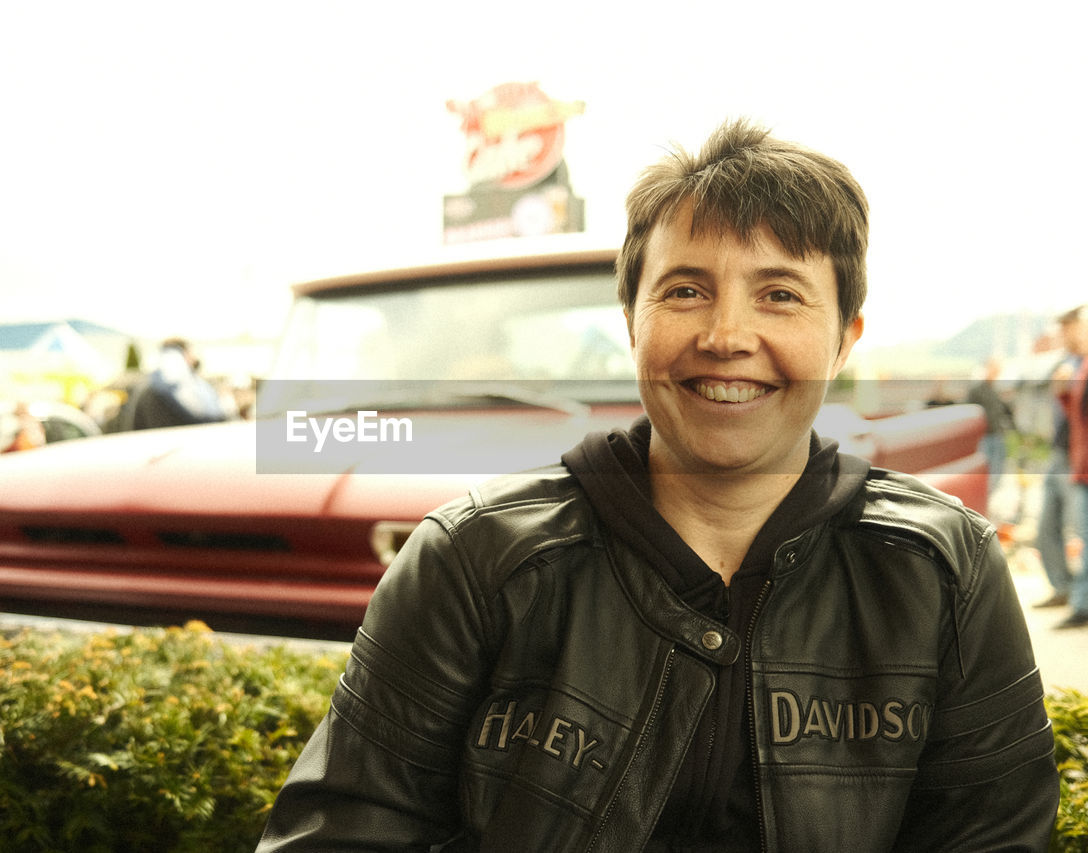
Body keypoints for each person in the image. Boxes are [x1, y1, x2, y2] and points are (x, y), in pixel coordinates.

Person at [256, 120, 1058, 850]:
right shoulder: (473, 557)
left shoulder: (943, 567)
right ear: (633, 321)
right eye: (685, 290)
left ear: (845, 337)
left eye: (779, 294)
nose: (725, 336)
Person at [1035, 308, 1084, 609]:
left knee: (1081, 529)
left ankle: (1081, 600)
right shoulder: (1065, 363)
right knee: (1046, 527)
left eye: (1068, 329)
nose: (1063, 335)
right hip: (1060, 453)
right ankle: (1063, 588)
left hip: (1076, 458)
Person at [1056, 304, 1088, 629]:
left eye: (1068, 329)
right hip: (1080, 467)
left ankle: (1082, 606)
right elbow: (1078, 421)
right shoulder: (1078, 367)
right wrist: (1064, 396)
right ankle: (1081, 604)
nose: (1063, 337)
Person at [127, 337, 226, 430]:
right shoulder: (170, 388)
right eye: (190, 352)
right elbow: (206, 415)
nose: (194, 357)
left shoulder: (158, 384)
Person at [966, 357, 1016, 511]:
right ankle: (980, 505)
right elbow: (969, 412)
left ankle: (986, 503)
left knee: (997, 472)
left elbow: (1006, 412)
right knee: (985, 473)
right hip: (985, 437)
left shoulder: (997, 390)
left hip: (997, 435)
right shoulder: (977, 390)